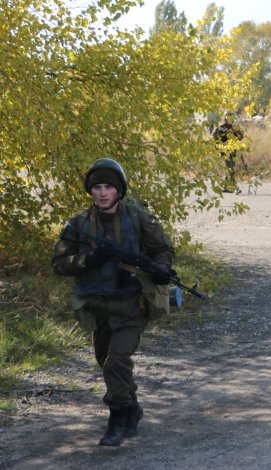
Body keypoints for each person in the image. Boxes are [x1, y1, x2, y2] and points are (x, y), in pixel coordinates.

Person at [52, 158, 175, 447]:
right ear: (90, 191)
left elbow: (164, 251)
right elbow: (58, 263)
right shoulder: (78, 224)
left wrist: (159, 270)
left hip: (132, 306)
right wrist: (86, 260)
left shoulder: (139, 218)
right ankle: (131, 406)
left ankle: (116, 419)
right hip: (97, 309)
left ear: (118, 190)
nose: (103, 193)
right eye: (97, 187)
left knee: (116, 362)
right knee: (107, 364)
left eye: (108, 187)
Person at [212, 113, 244, 193]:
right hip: (224, 152)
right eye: (229, 119)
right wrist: (222, 145)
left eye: (232, 119)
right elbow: (214, 138)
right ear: (225, 119)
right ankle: (236, 188)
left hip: (233, 151)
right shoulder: (220, 127)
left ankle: (226, 187)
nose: (231, 121)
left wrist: (235, 131)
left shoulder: (234, 128)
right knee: (231, 170)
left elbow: (240, 137)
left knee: (230, 169)